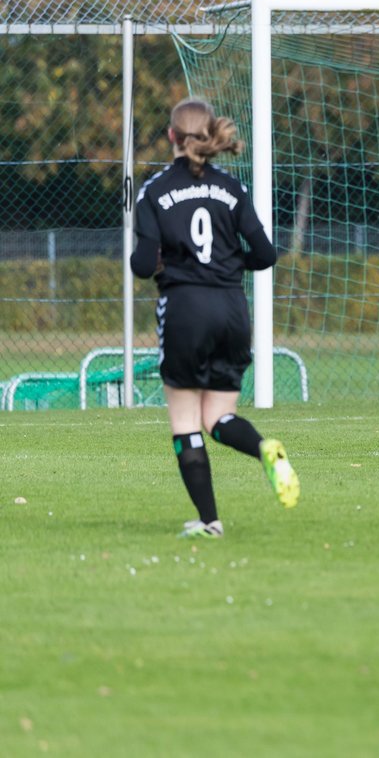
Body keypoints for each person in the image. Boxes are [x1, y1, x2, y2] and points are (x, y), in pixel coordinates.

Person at [130, 97, 299, 539]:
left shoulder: (154, 191)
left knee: (187, 422)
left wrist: (167, 264)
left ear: (171, 136)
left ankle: (210, 522)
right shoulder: (231, 188)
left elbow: (144, 264)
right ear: (208, 136)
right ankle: (265, 448)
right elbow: (264, 255)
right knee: (219, 416)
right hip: (231, 309)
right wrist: (226, 266)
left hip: (186, 308)